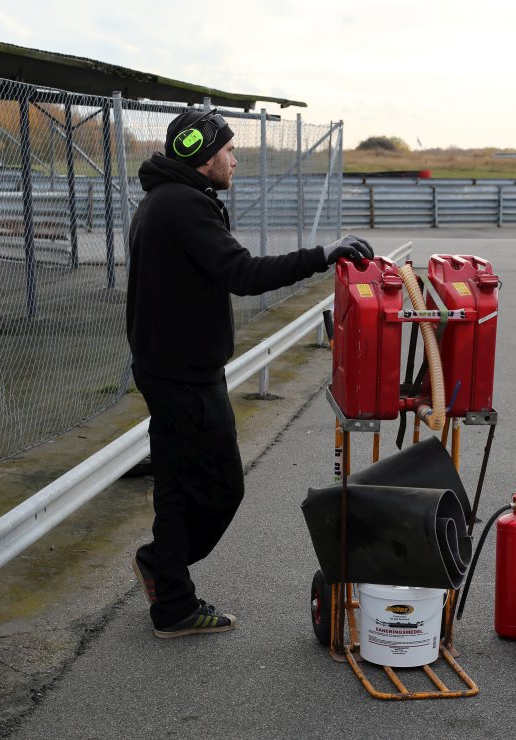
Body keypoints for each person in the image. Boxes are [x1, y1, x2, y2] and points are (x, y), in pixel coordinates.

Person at [126, 108, 372, 639]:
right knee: (222, 489)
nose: (235, 161)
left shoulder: (161, 201)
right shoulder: (185, 206)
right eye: (229, 152)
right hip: (185, 376)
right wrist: (323, 255)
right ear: (205, 155)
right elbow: (241, 273)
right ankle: (166, 575)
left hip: (166, 368)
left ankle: (170, 598)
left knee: (174, 486)